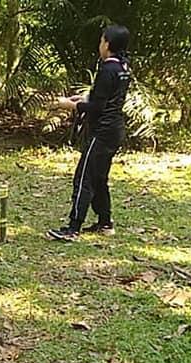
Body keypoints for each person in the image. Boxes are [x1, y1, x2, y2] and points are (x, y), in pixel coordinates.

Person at [48, 25, 131, 242]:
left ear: (108, 44)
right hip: (114, 130)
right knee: (99, 178)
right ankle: (105, 223)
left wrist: (69, 105)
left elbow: (97, 108)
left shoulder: (107, 69)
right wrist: (82, 99)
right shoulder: (123, 68)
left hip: (102, 133)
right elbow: (105, 99)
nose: (99, 44)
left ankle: (73, 228)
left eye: (102, 40)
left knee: (83, 177)